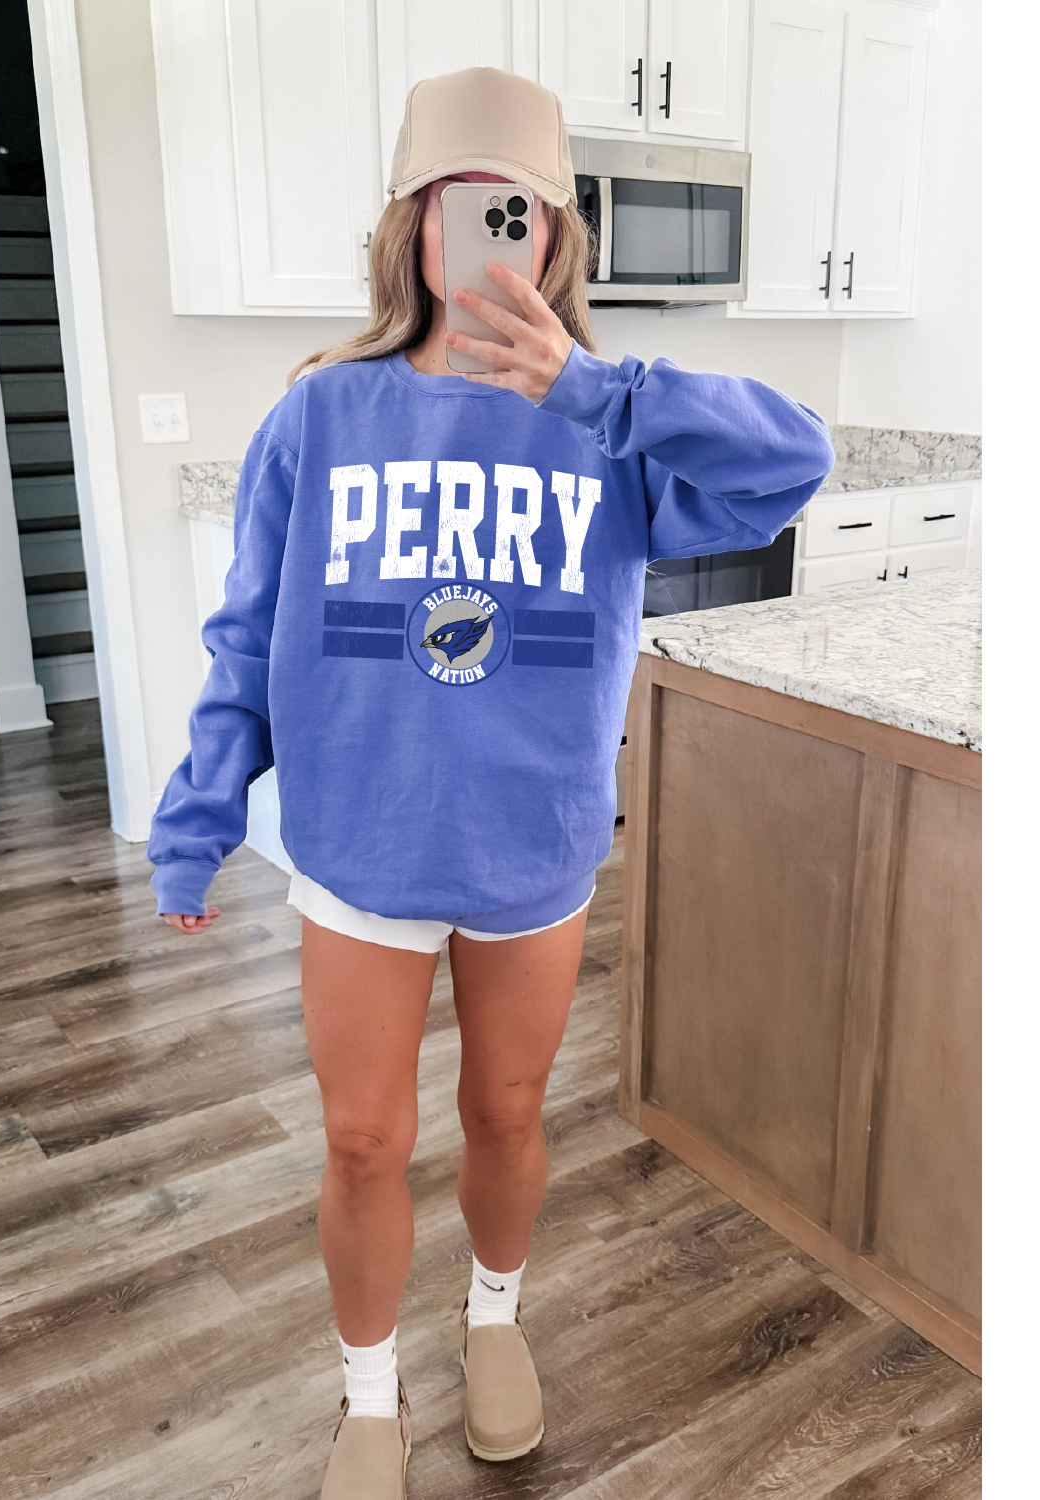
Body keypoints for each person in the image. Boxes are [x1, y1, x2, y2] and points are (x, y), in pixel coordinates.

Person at [147, 66, 835, 1500]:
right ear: (410, 226)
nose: (483, 234)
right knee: (359, 1137)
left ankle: (495, 1318)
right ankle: (367, 1393)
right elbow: (248, 636)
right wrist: (200, 812)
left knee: (510, 1114)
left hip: (533, 844)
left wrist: (593, 388)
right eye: (455, 206)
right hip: (362, 842)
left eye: (514, 210)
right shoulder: (317, 419)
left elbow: (795, 462)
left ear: (555, 236)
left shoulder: (613, 425)